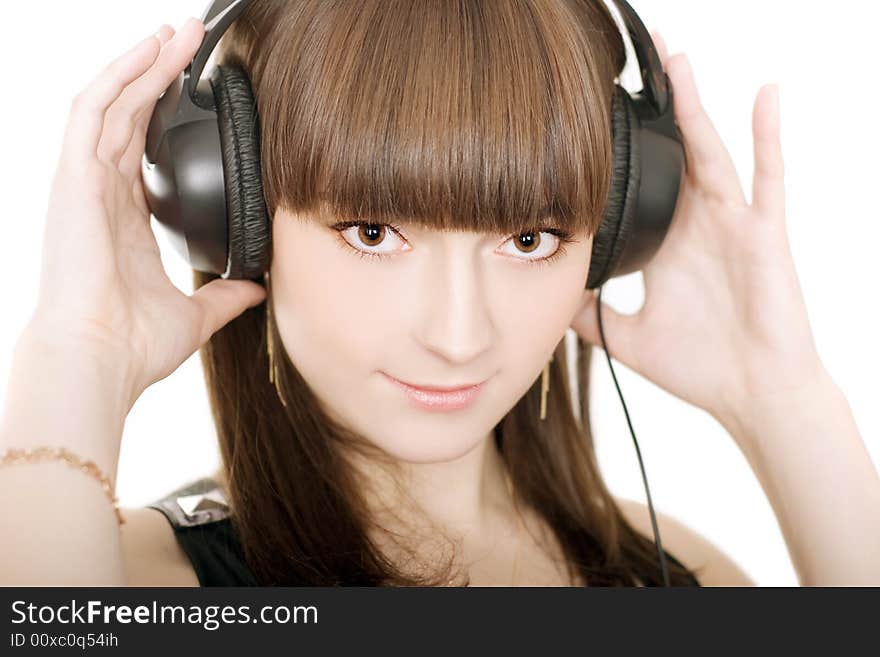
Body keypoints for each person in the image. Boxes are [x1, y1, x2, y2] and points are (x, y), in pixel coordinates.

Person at [1, 1, 877, 588]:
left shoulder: (688, 577)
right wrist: (74, 354)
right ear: (231, 210)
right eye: (373, 232)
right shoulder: (132, 583)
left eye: (529, 239)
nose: (459, 336)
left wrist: (785, 403)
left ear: (615, 233)